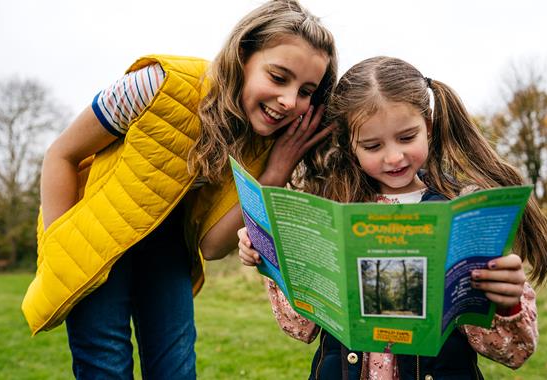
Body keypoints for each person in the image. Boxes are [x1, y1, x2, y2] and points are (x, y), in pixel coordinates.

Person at [20, 1, 338, 378]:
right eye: (278, 77)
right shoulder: (158, 84)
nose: (289, 101)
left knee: (176, 369)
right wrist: (63, 249)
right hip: (96, 240)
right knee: (104, 365)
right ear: (242, 56)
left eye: (306, 91)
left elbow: (212, 246)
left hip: (169, 248)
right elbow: (61, 154)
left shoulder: (264, 143)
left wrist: (274, 173)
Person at [238, 56, 547, 379]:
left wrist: (505, 301)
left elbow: (514, 349)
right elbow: (299, 326)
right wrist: (271, 255)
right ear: (351, 147)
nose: (394, 157)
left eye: (407, 137)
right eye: (372, 145)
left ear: (428, 127)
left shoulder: (462, 213)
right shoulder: (330, 211)